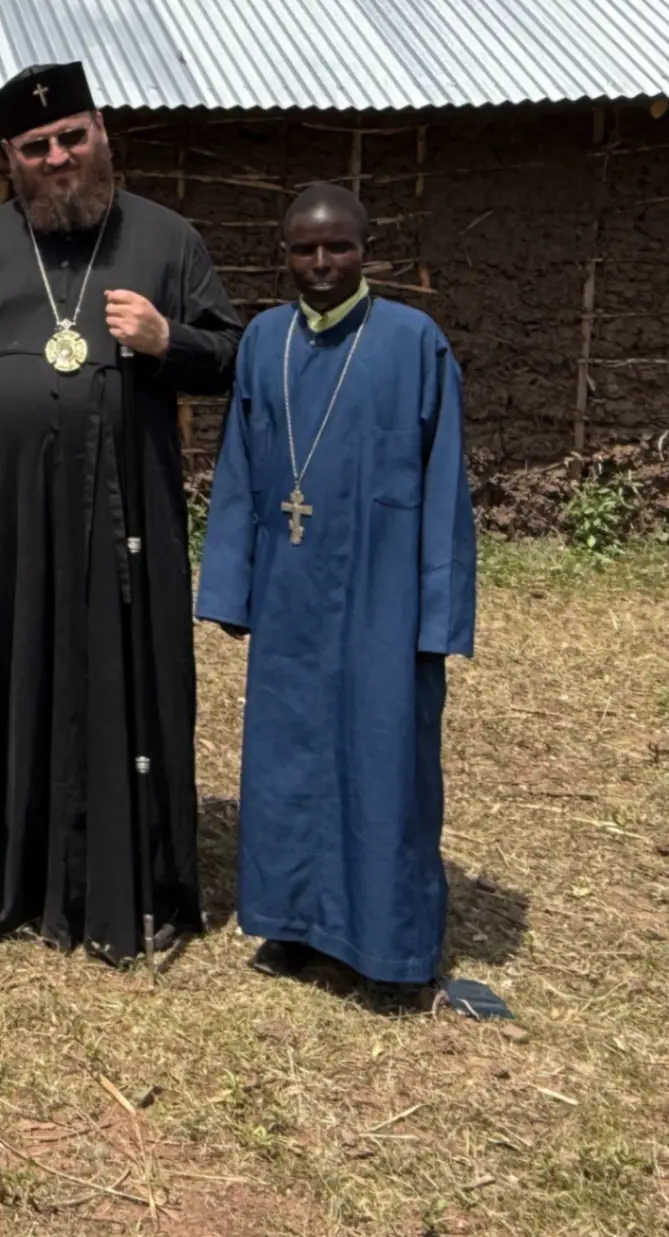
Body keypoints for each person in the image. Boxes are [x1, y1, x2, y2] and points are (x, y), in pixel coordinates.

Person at [0, 62, 241, 962]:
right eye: (37, 146)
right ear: (10, 158)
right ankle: (12, 862)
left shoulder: (167, 238)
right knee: (9, 675)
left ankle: (126, 866)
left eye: (73, 136)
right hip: (2, 516)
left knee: (122, 676)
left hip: (122, 507)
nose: (58, 156)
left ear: (102, 132)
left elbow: (230, 357)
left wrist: (166, 339)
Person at [198, 184, 477, 998]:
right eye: (303, 249)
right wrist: (231, 588)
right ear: (282, 252)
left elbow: (443, 483)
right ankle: (290, 922)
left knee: (385, 759)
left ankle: (387, 946)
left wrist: (439, 613)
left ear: (368, 246)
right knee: (287, 758)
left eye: (338, 247)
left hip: (381, 593)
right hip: (289, 586)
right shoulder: (262, 341)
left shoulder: (412, 341)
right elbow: (241, 470)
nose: (321, 264)